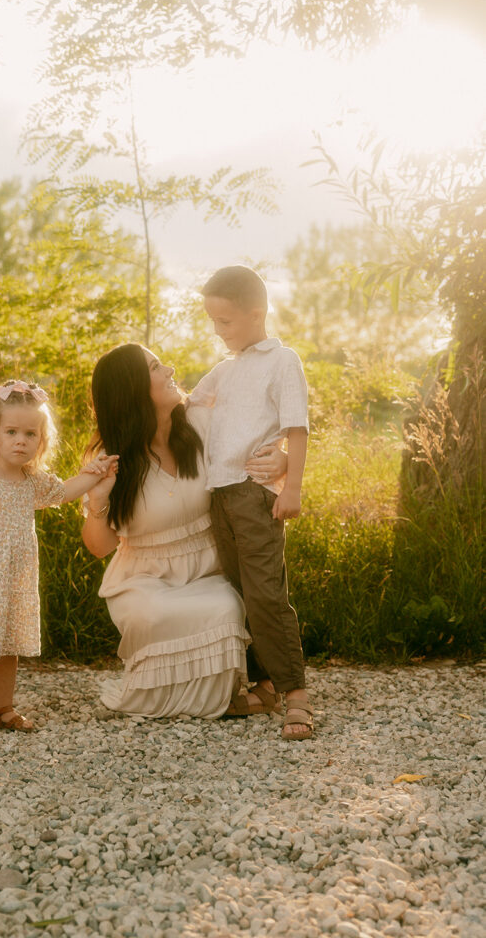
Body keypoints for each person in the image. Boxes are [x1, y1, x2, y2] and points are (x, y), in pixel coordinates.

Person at [82, 344, 286, 719]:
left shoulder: (199, 426)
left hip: (208, 569)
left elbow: (257, 453)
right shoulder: (111, 459)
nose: (171, 369)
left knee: (224, 609)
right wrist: (98, 500)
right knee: (154, 613)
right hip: (143, 576)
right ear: (132, 390)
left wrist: (283, 459)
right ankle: (172, 700)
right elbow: (99, 547)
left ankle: (208, 701)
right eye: (157, 367)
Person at [0, 379, 117, 739]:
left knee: (9, 646)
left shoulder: (32, 481)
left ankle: (3, 709)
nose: (21, 440)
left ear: (41, 441)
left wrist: (95, 471)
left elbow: (64, 492)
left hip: (13, 581)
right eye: (12, 431)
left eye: (30, 434)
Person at [188, 265, 313, 740]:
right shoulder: (225, 369)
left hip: (255, 493)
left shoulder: (282, 361)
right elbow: (186, 407)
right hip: (219, 495)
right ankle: (265, 686)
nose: (218, 331)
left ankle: (296, 694)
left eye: (226, 322)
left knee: (265, 594)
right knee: (238, 593)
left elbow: (297, 428)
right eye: (213, 322)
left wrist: (292, 483)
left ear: (256, 314)